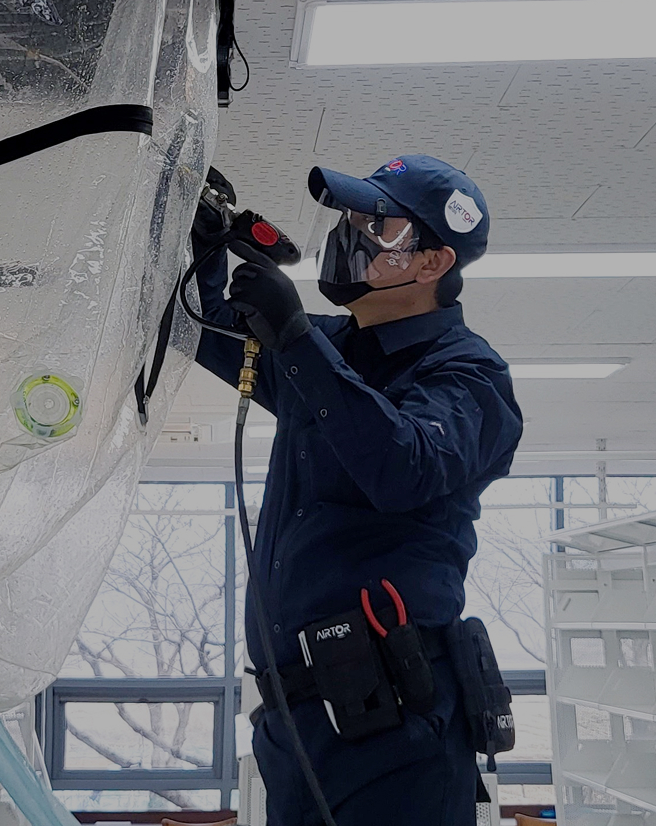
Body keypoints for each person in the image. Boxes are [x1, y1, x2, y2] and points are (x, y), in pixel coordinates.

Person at [193, 156, 523, 825]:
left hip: (395, 732)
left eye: (379, 226)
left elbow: (403, 466)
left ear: (433, 262)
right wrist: (198, 244)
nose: (350, 234)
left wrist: (295, 337)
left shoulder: (470, 376)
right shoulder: (330, 348)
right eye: (350, 216)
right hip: (296, 725)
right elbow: (204, 327)